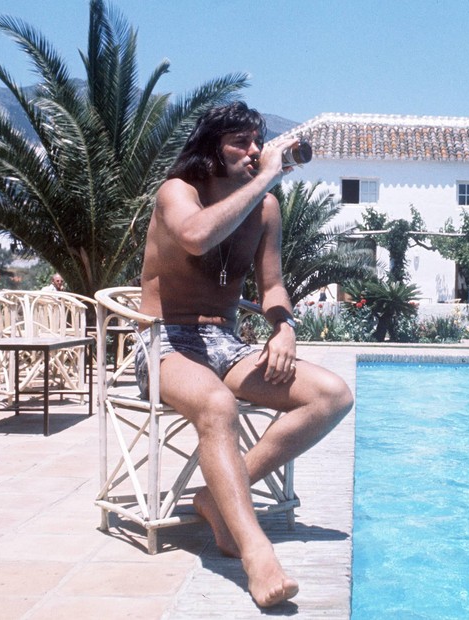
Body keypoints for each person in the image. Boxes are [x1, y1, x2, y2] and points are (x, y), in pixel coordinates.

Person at [135, 102, 352, 608]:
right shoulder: (177, 193)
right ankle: (255, 551)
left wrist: (284, 328)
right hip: (164, 341)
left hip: (226, 343)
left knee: (330, 396)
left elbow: (272, 285)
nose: (254, 151)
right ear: (212, 146)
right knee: (216, 406)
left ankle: (216, 499)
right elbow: (196, 236)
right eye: (241, 141)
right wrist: (266, 179)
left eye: (258, 141)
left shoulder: (265, 209)